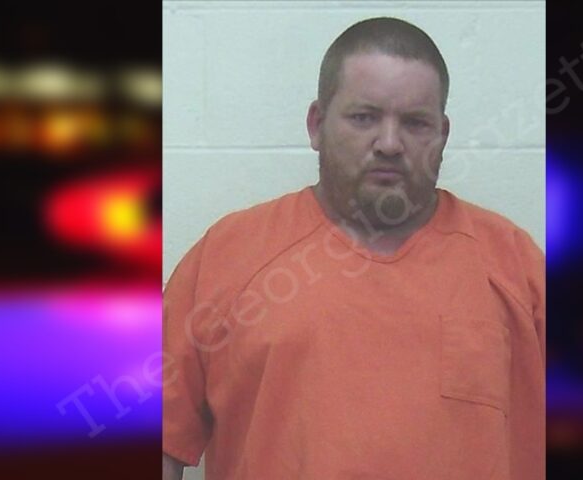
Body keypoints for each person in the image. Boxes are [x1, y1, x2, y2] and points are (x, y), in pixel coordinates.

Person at [163, 16, 544, 480]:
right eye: (364, 117)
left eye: (415, 123)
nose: (390, 143)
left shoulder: (516, 267)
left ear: (442, 134)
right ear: (316, 124)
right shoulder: (228, 256)